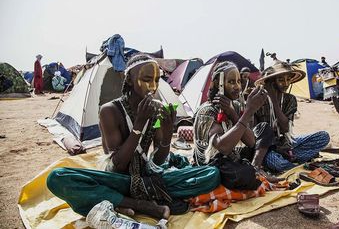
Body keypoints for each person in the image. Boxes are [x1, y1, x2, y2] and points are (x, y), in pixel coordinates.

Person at [47, 54, 220, 220]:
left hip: (148, 178)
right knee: (57, 178)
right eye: (146, 80)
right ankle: (143, 205)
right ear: (129, 80)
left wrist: (167, 136)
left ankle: (118, 201)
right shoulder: (110, 111)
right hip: (117, 179)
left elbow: (157, 162)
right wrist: (138, 125)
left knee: (211, 174)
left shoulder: (156, 111)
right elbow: (117, 165)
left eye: (157, 80)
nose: (153, 87)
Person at [193, 61, 280, 186]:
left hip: (229, 157)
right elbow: (222, 148)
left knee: (264, 129)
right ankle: (253, 171)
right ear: (219, 84)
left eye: (238, 81)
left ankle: (256, 167)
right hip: (211, 164)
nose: (237, 87)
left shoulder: (235, 106)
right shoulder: (207, 111)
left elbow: (251, 142)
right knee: (242, 174)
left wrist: (234, 114)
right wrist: (248, 112)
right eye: (231, 82)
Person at [254, 62, 330, 173]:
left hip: (286, 144)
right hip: (266, 149)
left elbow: (285, 128)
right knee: (277, 162)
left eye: (288, 79)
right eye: (281, 80)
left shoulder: (290, 100)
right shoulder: (258, 101)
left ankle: (290, 161)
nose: (286, 83)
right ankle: (292, 165)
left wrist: (274, 101)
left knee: (324, 137)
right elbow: (255, 137)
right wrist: (277, 149)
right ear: (271, 82)